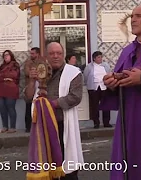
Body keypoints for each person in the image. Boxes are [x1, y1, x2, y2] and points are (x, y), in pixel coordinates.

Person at [101, 4, 141, 180]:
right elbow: (119, 80)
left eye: (139, 16)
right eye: (132, 16)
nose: (133, 20)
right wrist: (112, 82)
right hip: (127, 115)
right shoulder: (127, 51)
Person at [25, 42, 84, 179]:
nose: (55, 56)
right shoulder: (41, 71)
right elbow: (28, 98)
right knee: (46, 163)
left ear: (63, 55)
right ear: (46, 56)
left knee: (66, 167)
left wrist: (51, 105)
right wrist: (32, 81)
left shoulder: (73, 73)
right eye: (52, 53)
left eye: (59, 53)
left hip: (62, 124)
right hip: (42, 126)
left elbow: (75, 97)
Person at [83, 51, 111, 128]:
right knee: (94, 106)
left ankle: (106, 122)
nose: (100, 59)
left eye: (101, 57)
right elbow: (85, 77)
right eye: (98, 57)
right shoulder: (89, 67)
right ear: (94, 58)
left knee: (106, 105)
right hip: (93, 88)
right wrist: (87, 85)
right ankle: (96, 122)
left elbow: (109, 74)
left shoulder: (106, 66)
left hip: (104, 87)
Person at [0, 50, 20, 133]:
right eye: (4, 55)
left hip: (11, 90)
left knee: (10, 108)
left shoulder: (15, 65)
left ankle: (13, 127)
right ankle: (5, 126)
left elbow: (14, 75)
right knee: (2, 108)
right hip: (1, 90)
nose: (6, 56)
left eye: (7, 55)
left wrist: (3, 76)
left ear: (11, 56)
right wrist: (5, 78)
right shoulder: (1, 66)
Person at [22, 47, 40, 133]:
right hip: (30, 86)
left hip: (39, 86)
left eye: (33, 53)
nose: (31, 55)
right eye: (31, 53)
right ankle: (28, 127)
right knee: (28, 106)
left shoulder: (42, 62)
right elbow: (26, 72)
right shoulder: (28, 62)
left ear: (37, 54)